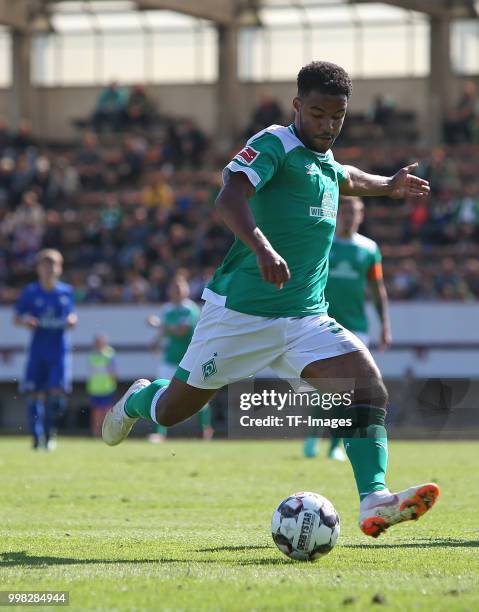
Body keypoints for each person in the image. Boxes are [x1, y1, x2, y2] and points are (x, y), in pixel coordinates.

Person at [103, 61, 438, 538]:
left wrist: (387, 185)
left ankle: (374, 499)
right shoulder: (275, 143)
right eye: (318, 113)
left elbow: (345, 175)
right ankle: (139, 400)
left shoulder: (322, 160)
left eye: (337, 117)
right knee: (174, 411)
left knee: (367, 388)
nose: (327, 125)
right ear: (297, 106)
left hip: (306, 319)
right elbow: (229, 198)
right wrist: (263, 247)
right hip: (240, 315)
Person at [304, 196, 391, 460]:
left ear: (361, 216)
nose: (349, 216)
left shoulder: (368, 249)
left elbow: (377, 288)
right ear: (336, 213)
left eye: (354, 212)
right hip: (320, 322)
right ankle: (313, 435)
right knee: (324, 388)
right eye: (344, 211)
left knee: (350, 391)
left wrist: (385, 325)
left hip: (355, 327)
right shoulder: (322, 240)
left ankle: (335, 445)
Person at [14, 249, 77, 449]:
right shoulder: (31, 292)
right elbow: (16, 318)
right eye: (45, 264)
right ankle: (36, 436)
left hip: (58, 351)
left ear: (59, 268)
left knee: (56, 395)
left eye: (53, 264)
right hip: (38, 351)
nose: (49, 269)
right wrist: (26, 321)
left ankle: (50, 433)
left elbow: (72, 316)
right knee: (34, 394)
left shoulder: (66, 291)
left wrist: (71, 320)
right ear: (39, 268)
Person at [146, 276, 213, 442]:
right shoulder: (167, 309)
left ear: (186, 290)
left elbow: (181, 331)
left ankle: (205, 429)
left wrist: (159, 325)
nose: (177, 292)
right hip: (170, 359)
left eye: (180, 288)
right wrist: (156, 341)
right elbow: (167, 332)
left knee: (198, 395)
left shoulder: (189, 309)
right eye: (174, 288)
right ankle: (160, 433)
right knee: (160, 392)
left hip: (189, 359)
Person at [87, 334, 117, 437]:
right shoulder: (93, 354)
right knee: (95, 412)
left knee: (107, 411)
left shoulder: (109, 354)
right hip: (95, 388)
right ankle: (96, 432)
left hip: (107, 387)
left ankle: (107, 432)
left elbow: (113, 371)